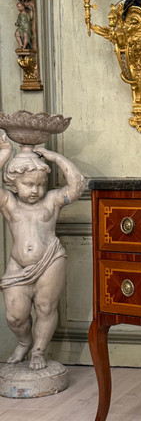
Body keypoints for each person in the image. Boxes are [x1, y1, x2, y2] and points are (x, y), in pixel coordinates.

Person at [0, 134, 85, 370]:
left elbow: (78, 185)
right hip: (18, 266)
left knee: (46, 308)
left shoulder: (51, 201)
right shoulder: (9, 203)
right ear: (12, 182)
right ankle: (24, 341)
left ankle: (39, 351)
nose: (35, 190)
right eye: (28, 184)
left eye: (40, 184)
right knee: (15, 316)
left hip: (51, 260)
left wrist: (55, 158)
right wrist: (4, 155)